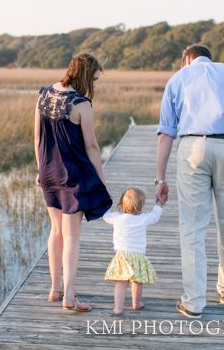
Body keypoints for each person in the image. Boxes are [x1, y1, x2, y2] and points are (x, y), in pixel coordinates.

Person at [155, 44, 224, 319]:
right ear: (210, 58)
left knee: (192, 226)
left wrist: (160, 178)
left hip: (193, 149)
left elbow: (166, 134)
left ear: (185, 59)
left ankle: (193, 302)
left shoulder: (178, 78)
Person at [34, 52, 113, 312]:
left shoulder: (44, 95)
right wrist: (100, 180)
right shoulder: (82, 104)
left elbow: (37, 139)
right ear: (85, 75)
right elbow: (91, 146)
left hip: (47, 172)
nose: (95, 83)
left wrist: (40, 169)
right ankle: (69, 297)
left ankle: (55, 289)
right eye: (94, 78)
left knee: (55, 230)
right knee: (72, 237)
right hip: (73, 176)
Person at [103, 187, 162, 315]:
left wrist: (106, 202)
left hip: (122, 256)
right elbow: (155, 216)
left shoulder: (117, 218)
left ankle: (118, 307)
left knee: (120, 283)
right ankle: (136, 303)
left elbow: (106, 216)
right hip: (138, 256)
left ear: (122, 204)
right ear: (141, 206)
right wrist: (159, 205)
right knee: (137, 280)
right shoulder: (143, 218)